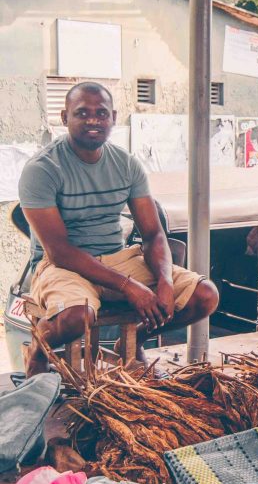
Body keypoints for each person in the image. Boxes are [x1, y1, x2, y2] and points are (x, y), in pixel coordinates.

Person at [19, 82, 219, 377]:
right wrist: (128, 286)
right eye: (82, 113)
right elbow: (59, 251)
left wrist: (164, 281)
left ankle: (138, 338)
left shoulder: (126, 165)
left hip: (116, 258)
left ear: (112, 117)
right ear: (64, 118)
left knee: (205, 295)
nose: (92, 121)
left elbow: (152, 234)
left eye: (101, 114)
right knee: (78, 317)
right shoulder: (43, 169)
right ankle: (37, 350)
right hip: (62, 265)